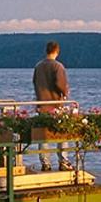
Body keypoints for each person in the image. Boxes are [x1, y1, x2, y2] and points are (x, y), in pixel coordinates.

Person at [32, 40, 71, 171]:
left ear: (46, 51)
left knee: (43, 136)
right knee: (62, 133)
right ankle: (63, 161)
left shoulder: (38, 66)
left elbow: (35, 82)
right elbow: (61, 84)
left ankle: (45, 163)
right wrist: (65, 92)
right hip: (56, 106)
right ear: (57, 51)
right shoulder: (58, 66)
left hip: (42, 105)